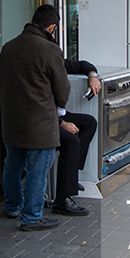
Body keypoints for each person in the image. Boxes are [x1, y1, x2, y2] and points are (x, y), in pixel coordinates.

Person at [0, 4, 70, 231]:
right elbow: (62, 90)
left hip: (12, 120)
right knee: (37, 170)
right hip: (39, 123)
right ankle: (31, 216)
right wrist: (61, 107)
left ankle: (12, 207)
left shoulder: (8, 47)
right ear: (52, 27)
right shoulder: (49, 50)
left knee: (12, 164)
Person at [52, 59, 100, 216]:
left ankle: (72, 175)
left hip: (58, 115)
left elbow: (83, 65)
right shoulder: (41, 68)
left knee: (89, 122)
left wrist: (92, 76)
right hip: (46, 121)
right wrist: (62, 124)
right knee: (72, 141)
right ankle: (62, 199)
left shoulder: (56, 60)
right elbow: (38, 106)